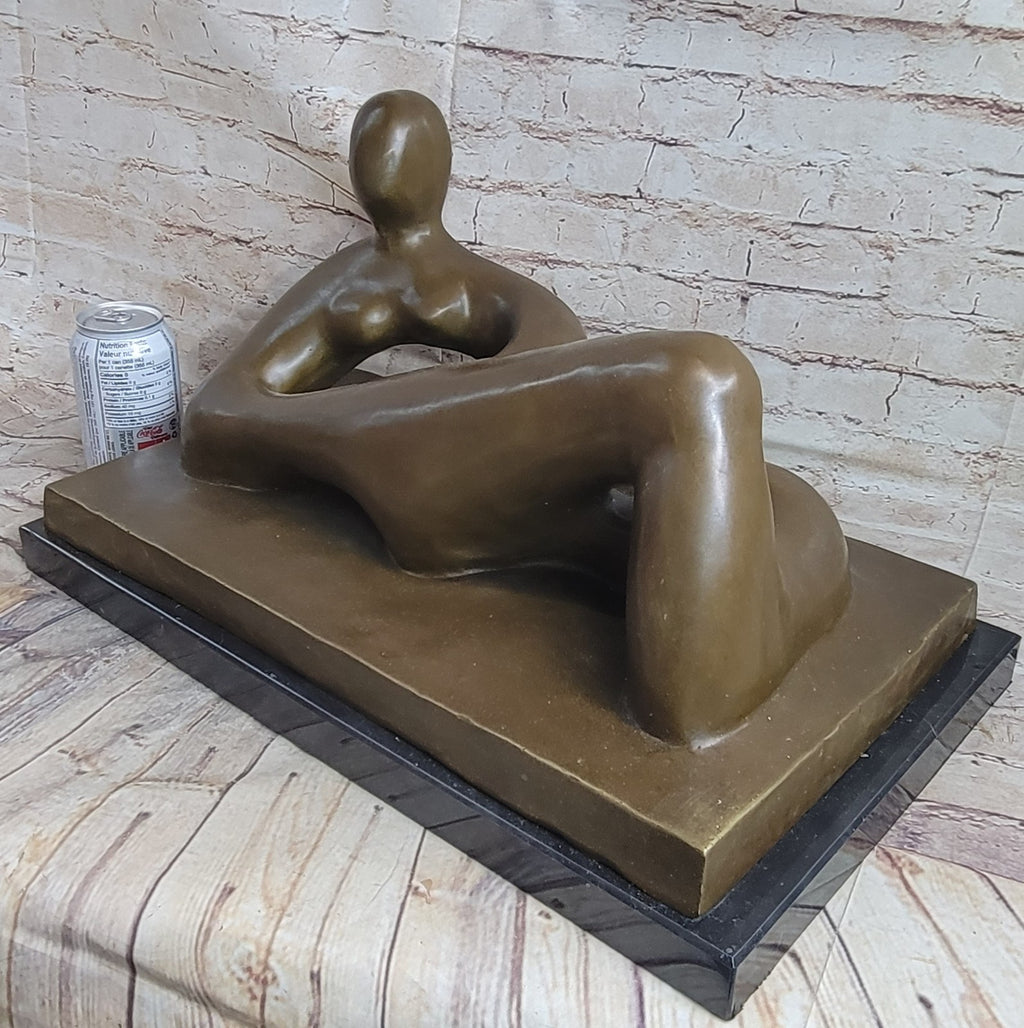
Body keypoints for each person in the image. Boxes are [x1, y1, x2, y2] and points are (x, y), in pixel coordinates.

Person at [182, 90, 850, 746]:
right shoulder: (346, 281)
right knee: (698, 379)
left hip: (492, 470)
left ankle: (711, 685)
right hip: (438, 478)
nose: (387, 166)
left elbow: (548, 356)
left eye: (408, 147)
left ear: (441, 167)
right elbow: (218, 418)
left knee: (785, 505)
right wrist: (364, 430)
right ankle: (703, 698)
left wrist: (414, 413)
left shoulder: (484, 284)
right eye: (373, 146)